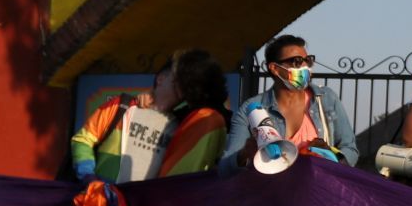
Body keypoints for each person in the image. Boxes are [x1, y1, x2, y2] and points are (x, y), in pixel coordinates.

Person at [68, 49, 229, 185]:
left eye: (185, 82)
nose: (182, 85)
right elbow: (83, 139)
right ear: (161, 79)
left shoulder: (182, 123)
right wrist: (89, 177)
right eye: (177, 79)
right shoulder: (121, 106)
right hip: (104, 205)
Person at [220, 35, 358, 172]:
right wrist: (244, 154)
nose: (305, 66)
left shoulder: (326, 99)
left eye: (308, 61)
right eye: (297, 61)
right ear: (274, 68)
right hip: (271, 191)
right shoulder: (250, 109)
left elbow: (350, 149)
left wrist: (330, 155)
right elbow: (225, 169)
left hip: (318, 190)